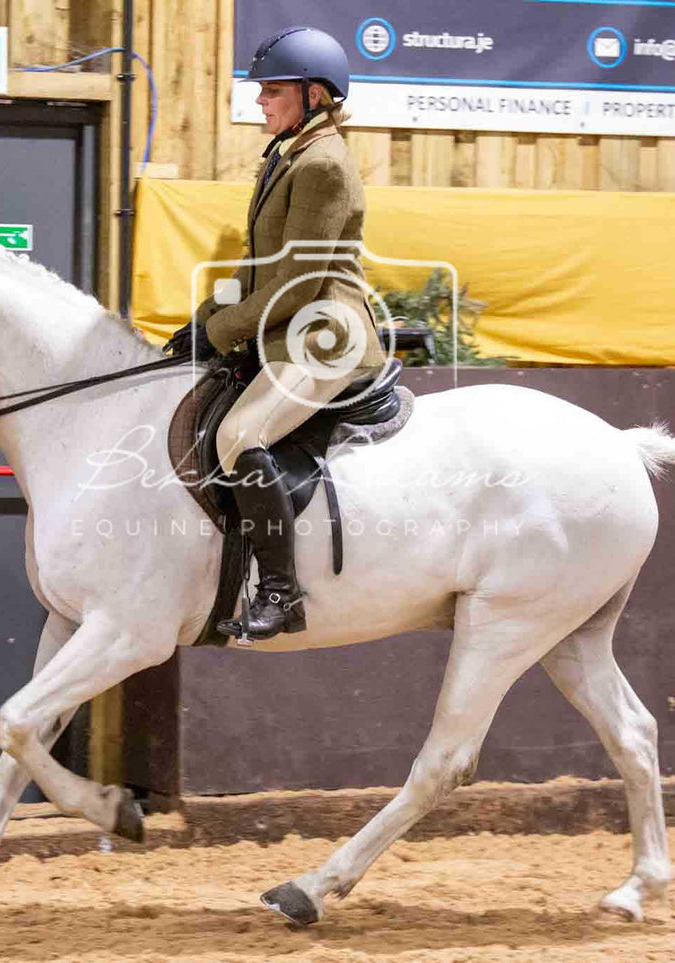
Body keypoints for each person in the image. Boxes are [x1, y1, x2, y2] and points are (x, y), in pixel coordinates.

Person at [164, 25, 387, 642]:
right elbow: (255, 268)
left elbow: (296, 285)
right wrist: (205, 316)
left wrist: (221, 331)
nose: (259, 101)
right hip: (282, 327)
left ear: (314, 95)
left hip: (322, 334)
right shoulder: (285, 158)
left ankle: (282, 594)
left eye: (273, 90)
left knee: (240, 434)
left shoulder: (323, 167)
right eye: (261, 90)